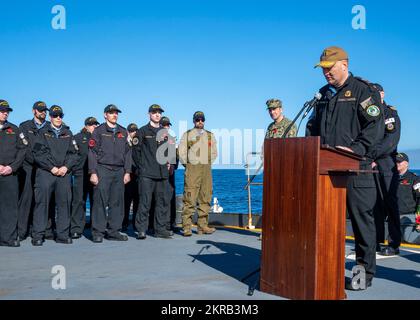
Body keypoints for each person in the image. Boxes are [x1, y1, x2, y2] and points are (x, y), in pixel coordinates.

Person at [306, 46, 384, 290]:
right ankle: (327, 270)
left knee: (362, 226)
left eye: (329, 68)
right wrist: (310, 151)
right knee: (326, 223)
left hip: (356, 169)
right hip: (327, 170)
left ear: (344, 65)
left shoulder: (363, 91)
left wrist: (358, 149)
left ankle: (363, 276)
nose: (326, 73)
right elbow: (312, 127)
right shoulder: (322, 95)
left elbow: (374, 125)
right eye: (323, 70)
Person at [31, 105, 79, 246]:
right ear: (50, 116)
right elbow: (38, 153)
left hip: (64, 174)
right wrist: (51, 167)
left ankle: (63, 234)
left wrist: (65, 167)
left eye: (60, 115)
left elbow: (74, 154)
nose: (58, 118)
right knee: (42, 204)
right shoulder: (42, 132)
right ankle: (38, 235)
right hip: (46, 173)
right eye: (55, 115)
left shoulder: (68, 133)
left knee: (64, 204)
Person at [88, 104, 132, 243]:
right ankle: (98, 232)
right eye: (111, 113)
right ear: (105, 115)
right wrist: (93, 172)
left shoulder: (123, 131)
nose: (114, 115)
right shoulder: (98, 131)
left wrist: (128, 171)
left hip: (119, 171)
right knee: (100, 201)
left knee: (117, 202)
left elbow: (128, 153)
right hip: (103, 169)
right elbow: (92, 153)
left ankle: (114, 231)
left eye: (116, 113)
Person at [369, 84, 402, 255]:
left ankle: (394, 243)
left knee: (390, 203)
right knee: (375, 204)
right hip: (371, 164)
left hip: (386, 163)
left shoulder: (390, 114)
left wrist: (373, 155)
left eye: (375, 93)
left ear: (382, 93)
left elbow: (391, 140)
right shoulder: (369, 114)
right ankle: (376, 241)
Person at [132, 104, 173, 240]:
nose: (157, 115)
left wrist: (169, 163)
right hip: (147, 173)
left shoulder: (165, 133)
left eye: (159, 113)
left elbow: (169, 151)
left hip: (162, 174)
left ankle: (160, 229)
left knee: (162, 202)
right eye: (154, 112)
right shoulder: (142, 131)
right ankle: (141, 229)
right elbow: (135, 152)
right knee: (145, 202)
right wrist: (141, 167)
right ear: (149, 114)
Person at [178, 111, 218, 237]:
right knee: (189, 198)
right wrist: (189, 165)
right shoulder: (187, 135)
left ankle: (202, 226)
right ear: (194, 121)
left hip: (206, 169)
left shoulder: (210, 135)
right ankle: (187, 227)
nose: (200, 122)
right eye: (197, 120)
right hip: (192, 169)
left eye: (202, 119)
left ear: (204, 121)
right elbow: (181, 152)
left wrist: (206, 162)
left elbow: (214, 153)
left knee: (205, 198)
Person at [18, 101, 50, 240]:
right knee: (26, 199)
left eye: (45, 110)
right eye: (40, 110)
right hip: (28, 166)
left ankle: (46, 230)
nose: (43, 112)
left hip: (45, 168)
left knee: (46, 199)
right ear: (34, 111)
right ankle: (22, 230)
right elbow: (24, 147)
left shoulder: (50, 127)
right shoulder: (24, 126)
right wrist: (36, 157)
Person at [0, 100, 27, 247]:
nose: (5, 113)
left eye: (7, 111)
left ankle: (7, 238)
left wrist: (12, 167)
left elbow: (23, 150)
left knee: (9, 207)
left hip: (10, 174)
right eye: (2, 110)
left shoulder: (15, 130)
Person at [70, 117, 99, 239]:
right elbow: (73, 154)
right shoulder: (77, 137)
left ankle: (96, 226)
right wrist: (76, 169)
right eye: (91, 125)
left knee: (96, 202)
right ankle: (76, 228)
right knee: (78, 201)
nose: (94, 126)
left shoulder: (99, 138)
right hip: (81, 173)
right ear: (86, 125)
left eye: (95, 124)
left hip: (96, 174)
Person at [395, 153, 420, 245]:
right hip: (391, 217)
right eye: (395, 162)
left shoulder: (414, 179)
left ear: (406, 164)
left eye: (399, 162)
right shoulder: (390, 178)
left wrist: (419, 220)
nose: (396, 163)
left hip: (408, 218)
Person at [160, 116, 178, 232]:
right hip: (158, 174)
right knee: (159, 199)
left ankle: (171, 222)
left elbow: (176, 157)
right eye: (163, 125)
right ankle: (158, 224)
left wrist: (172, 165)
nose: (166, 127)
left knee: (171, 198)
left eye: (167, 125)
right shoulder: (156, 140)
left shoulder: (172, 140)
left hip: (170, 174)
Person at [123, 123, 140, 231]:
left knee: (137, 200)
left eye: (135, 131)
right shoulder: (125, 143)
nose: (134, 133)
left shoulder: (138, 143)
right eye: (132, 131)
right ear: (128, 132)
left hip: (137, 175)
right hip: (127, 175)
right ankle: (123, 223)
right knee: (126, 201)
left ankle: (135, 223)